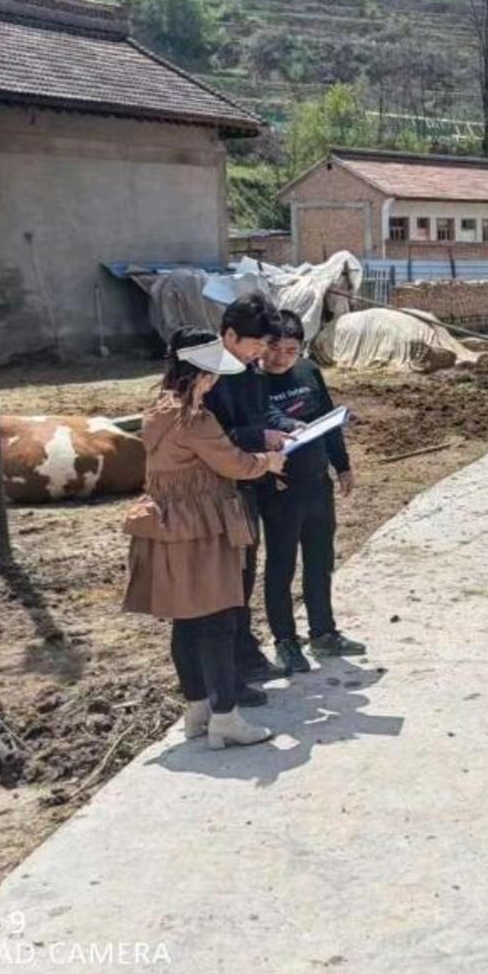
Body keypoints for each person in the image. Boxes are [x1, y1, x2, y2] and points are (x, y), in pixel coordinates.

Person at [123, 327, 287, 750]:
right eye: (213, 373)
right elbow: (233, 463)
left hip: (169, 525)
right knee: (219, 619)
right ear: (202, 374)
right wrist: (267, 461)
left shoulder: (157, 412)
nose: (216, 381)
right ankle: (226, 718)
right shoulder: (195, 420)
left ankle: (197, 709)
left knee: (187, 621)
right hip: (202, 527)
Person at [260, 310, 366, 672]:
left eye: (290, 350)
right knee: (281, 565)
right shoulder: (251, 382)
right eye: (275, 348)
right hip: (279, 489)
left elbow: (328, 421)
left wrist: (342, 465)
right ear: (263, 344)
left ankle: (323, 632)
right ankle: (285, 640)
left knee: (320, 561)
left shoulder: (308, 371)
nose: (281, 358)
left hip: (317, 483)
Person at [205, 292, 296, 686]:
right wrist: (261, 436)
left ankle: (243, 651)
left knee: (244, 572)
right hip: (217, 490)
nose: (261, 353)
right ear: (229, 335)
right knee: (227, 578)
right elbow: (210, 436)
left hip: (249, 483)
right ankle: (230, 665)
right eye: (256, 344)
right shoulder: (206, 375)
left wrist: (287, 427)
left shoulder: (248, 369)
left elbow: (262, 411)